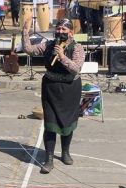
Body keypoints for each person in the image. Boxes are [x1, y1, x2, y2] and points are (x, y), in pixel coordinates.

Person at [22, 18, 84, 174]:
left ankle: (65, 153)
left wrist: (62, 56)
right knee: (50, 124)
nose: (60, 32)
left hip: (70, 89)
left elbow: (76, 68)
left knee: (67, 122)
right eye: (58, 28)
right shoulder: (49, 45)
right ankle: (48, 159)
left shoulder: (77, 47)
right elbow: (29, 50)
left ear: (71, 32)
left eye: (64, 29)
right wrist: (25, 31)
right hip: (51, 88)